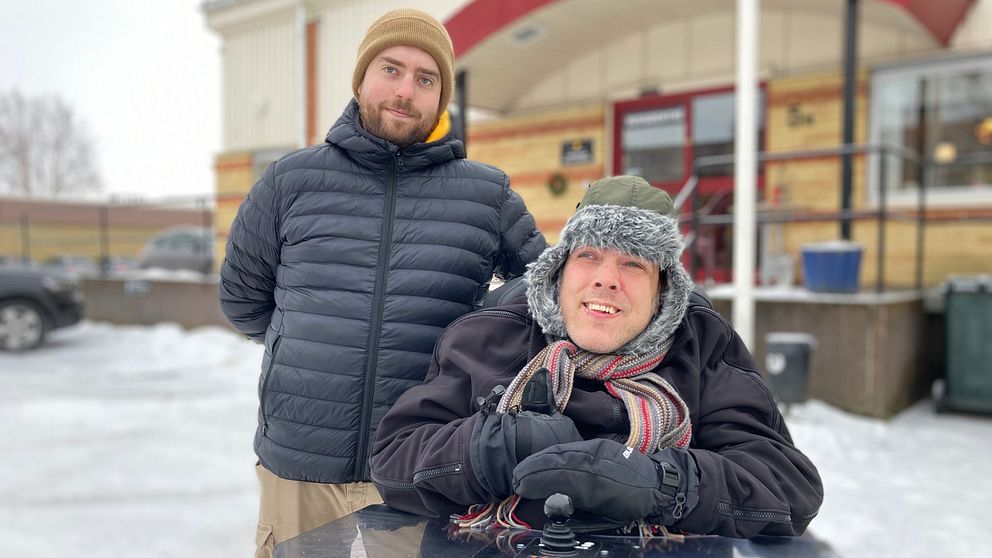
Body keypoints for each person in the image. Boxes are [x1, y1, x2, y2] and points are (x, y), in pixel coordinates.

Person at [218, 9, 546, 557]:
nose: (405, 91)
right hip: (300, 455)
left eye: (425, 79)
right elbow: (242, 296)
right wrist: (300, 343)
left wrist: (475, 353)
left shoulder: (484, 195)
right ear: (362, 78)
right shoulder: (291, 181)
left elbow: (545, 295)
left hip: (422, 462)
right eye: (391, 70)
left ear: (440, 97)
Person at [370, 175, 823, 538]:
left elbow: (787, 487)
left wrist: (664, 485)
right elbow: (394, 462)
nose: (606, 280)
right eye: (589, 256)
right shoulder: (490, 333)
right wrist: (491, 448)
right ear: (560, 269)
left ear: (663, 289)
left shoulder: (702, 346)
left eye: (633, 264)